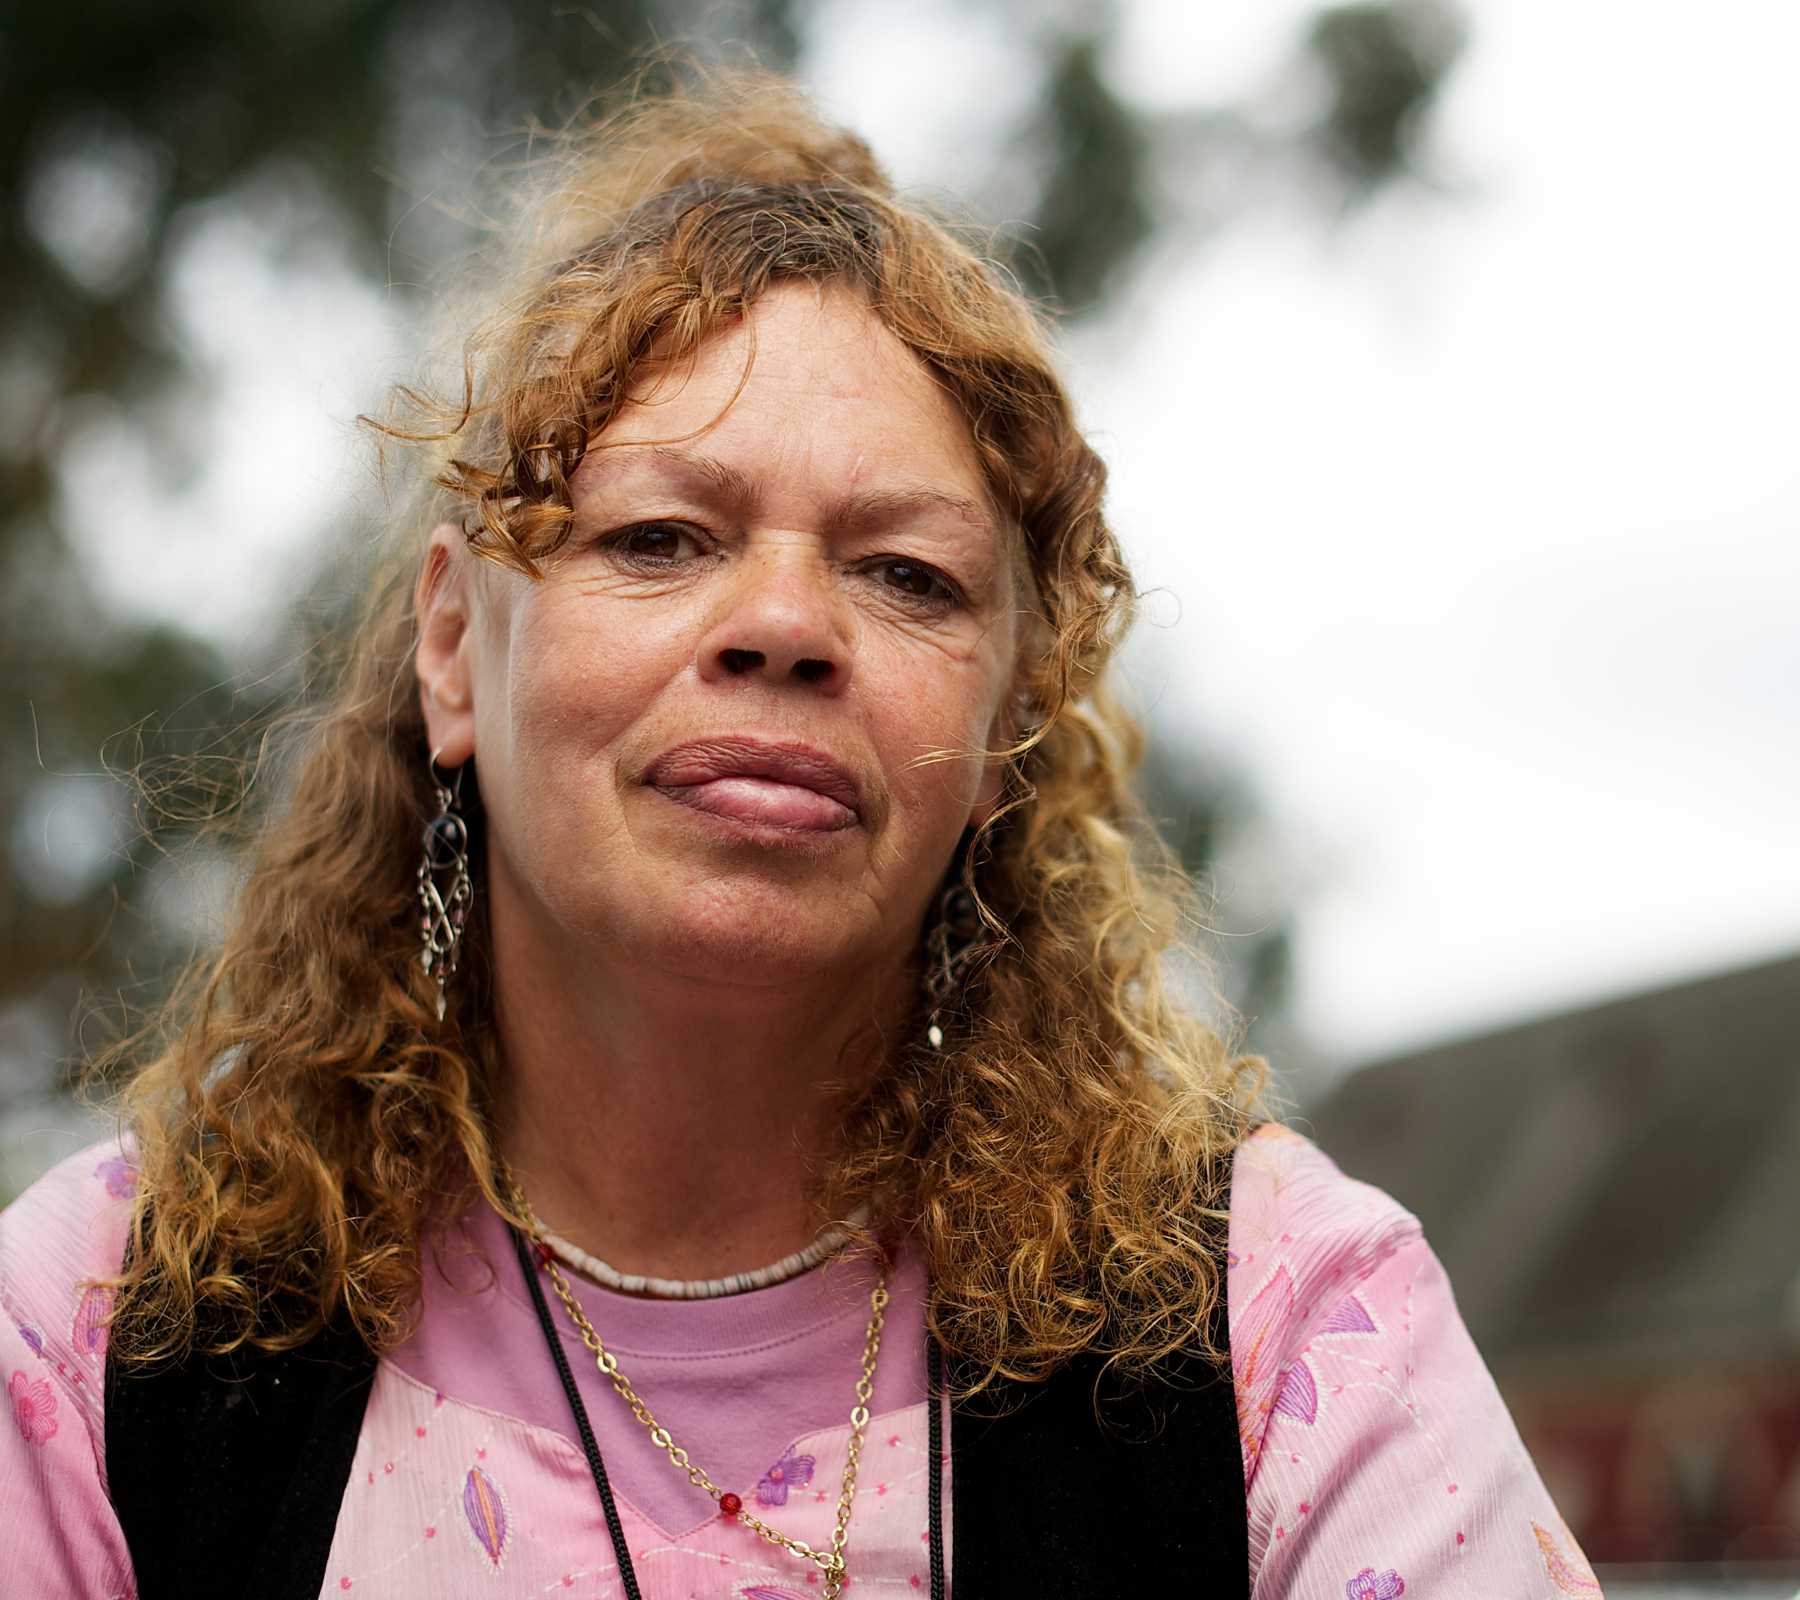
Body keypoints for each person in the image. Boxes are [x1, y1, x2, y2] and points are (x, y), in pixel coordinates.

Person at [0, 70, 1600, 1598]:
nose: (783, 624)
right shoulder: (86, 1337)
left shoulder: (1285, 1330)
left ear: (1007, 731)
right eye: (659, 536)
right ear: (451, 649)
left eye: (907, 575)